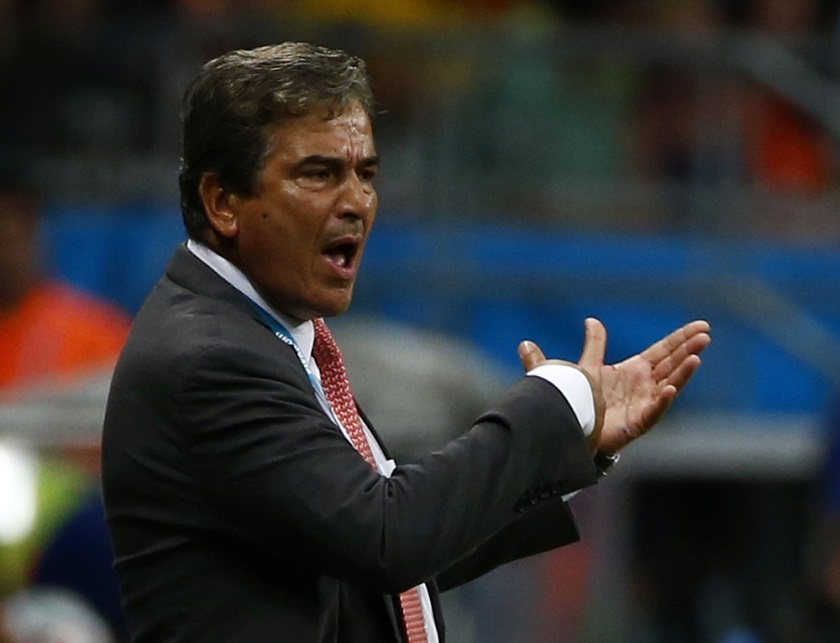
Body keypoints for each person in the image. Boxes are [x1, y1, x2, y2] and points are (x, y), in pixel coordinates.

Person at [100, 42, 711, 642]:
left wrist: (565, 448)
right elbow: (386, 537)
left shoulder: (271, 336)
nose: (357, 203)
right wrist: (553, 403)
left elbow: (382, 567)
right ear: (223, 202)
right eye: (319, 174)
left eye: (366, 174)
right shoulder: (211, 355)